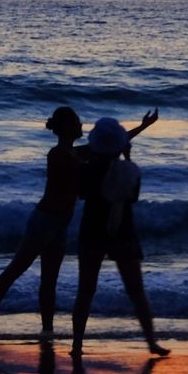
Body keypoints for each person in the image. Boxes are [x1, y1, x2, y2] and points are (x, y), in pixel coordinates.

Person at [0, 106, 87, 337]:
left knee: (50, 279)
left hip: (60, 223)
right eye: (77, 121)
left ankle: (47, 329)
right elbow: (88, 161)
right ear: (67, 127)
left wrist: (143, 126)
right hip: (45, 221)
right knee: (17, 268)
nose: (81, 125)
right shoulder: (58, 155)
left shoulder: (75, 154)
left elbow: (109, 144)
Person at [69, 117, 169, 357]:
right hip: (123, 230)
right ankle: (151, 342)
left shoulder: (87, 168)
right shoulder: (128, 170)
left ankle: (77, 345)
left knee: (85, 290)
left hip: (92, 229)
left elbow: (81, 194)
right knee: (136, 290)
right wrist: (128, 156)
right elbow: (133, 197)